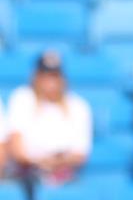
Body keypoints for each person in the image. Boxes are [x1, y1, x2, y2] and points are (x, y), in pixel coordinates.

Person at [6, 52, 92, 186]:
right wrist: (41, 162)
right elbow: (17, 150)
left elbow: (80, 154)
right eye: (45, 75)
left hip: (63, 177)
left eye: (54, 76)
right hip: (27, 176)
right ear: (36, 76)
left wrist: (54, 162)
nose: (50, 81)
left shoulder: (78, 105)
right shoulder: (22, 98)